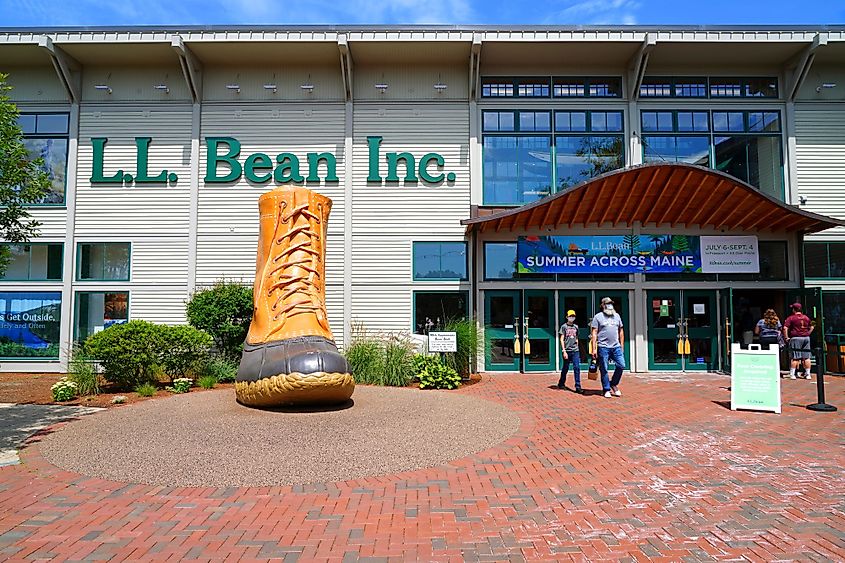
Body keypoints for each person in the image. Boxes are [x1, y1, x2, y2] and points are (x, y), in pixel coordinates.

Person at [590, 297, 625, 398]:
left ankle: (613, 383)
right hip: (603, 347)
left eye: (611, 303)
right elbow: (594, 333)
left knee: (621, 365)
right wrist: (594, 348)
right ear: (603, 305)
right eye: (607, 303)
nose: (610, 305)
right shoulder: (598, 317)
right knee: (604, 368)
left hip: (616, 346)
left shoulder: (617, 316)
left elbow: (621, 331)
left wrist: (621, 345)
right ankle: (606, 389)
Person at [783, 302, 814, 380]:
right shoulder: (806, 317)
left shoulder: (791, 318)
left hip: (796, 338)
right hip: (806, 338)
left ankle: (792, 374)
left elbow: (785, 328)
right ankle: (808, 374)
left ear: (794, 309)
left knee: (795, 357)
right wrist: (808, 333)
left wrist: (786, 337)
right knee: (806, 357)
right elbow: (812, 326)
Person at [557, 309, 582, 393]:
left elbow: (577, 337)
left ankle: (578, 386)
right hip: (567, 350)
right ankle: (561, 383)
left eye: (573, 316)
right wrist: (564, 350)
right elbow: (562, 339)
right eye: (570, 316)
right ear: (567, 317)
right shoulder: (564, 327)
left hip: (575, 350)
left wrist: (577, 346)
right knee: (565, 367)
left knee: (577, 367)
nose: (572, 318)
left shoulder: (576, 327)